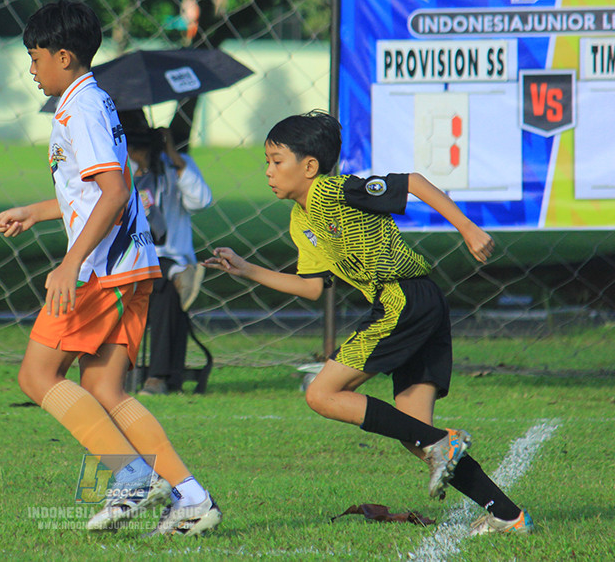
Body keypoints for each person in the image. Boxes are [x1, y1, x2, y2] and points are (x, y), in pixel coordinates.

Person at [203, 110, 533, 536]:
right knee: (417, 433)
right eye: (266, 161)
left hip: (402, 299)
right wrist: (247, 269)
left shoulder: (331, 190)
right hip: (419, 301)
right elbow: (312, 287)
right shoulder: (302, 218)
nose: (268, 171)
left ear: (308, 166)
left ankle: (445, 446)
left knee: (322, 394)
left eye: (276, 160)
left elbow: (412, 182)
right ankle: (508, 515)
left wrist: (468, 229)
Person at [0, 0, 221, 537]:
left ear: (64, 56)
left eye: (35, 56)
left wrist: (69, 264)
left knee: (37, 374)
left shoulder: (80, 109)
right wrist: (38, 210)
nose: (31, 68)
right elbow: (100, 190)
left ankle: (133, 477)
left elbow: (115, 192)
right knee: (106, 388)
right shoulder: (93, 100)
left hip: (102, 270)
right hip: (130, 265)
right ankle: (192, 497)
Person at [120, 109, 213, 395]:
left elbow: (201, 201)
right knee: (162, 282)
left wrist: (173, 156)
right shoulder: (119, 173)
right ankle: (159, 375)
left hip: (170, 254)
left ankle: (158, 377)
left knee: (161, 284)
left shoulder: (177, 166)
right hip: (132, 259)